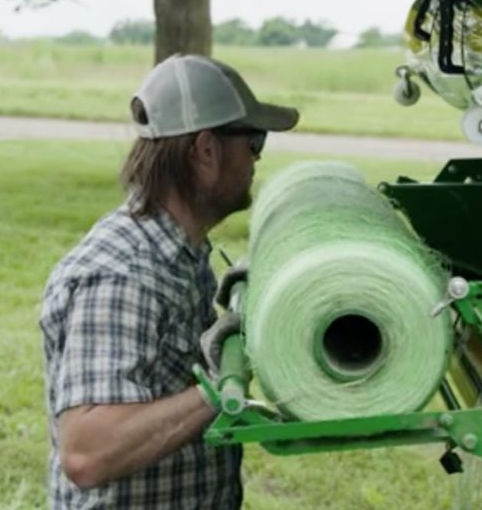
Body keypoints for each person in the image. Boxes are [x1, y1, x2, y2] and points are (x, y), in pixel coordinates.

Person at [39, 53, 299, 508]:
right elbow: (86, 452)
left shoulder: (178, 249)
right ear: (205, 150)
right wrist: (220, 391)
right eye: (254, 140)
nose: (256, 158)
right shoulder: (123, 274)